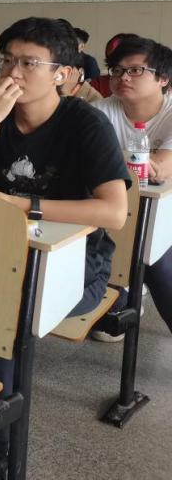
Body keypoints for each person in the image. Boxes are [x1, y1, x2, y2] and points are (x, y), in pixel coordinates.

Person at [0, 17, 129, 479]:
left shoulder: (85, 123)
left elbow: (114, 212)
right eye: (7, 60)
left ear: (61, 74)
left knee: (4, 314)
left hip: (75, 266)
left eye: (29, 63)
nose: (13, 72)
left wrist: (22, 205)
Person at [92, 36, 172, 340]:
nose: (123, 77)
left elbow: (159, 170)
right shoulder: (100, 111)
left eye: (135, 70)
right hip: (120, 209)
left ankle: (131, 289)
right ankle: (124, 295)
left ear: (163, 78)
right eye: (116, 70)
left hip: (163, 210)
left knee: (151, 250)